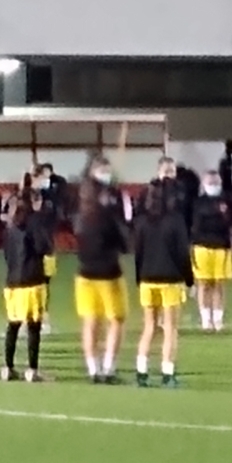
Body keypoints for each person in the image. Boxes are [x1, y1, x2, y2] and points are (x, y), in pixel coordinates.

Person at [73, 162, 130, 383]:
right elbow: (124, 241)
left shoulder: (80, 213)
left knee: (90, 321)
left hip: (84, 273)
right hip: (108, 273)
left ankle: (92, 368)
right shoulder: (107, 215)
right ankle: (108, 367)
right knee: (116, 320)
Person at [132, 182, 192, 388]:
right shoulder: (175, 221)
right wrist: (189, 278)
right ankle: (168, 372)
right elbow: (182, 253)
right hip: (170, 280)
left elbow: (137, 253)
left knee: (149, 326)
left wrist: (139, 278)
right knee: (170, 328)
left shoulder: (141, 221)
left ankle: (141, 371)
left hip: (148, 279)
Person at [0, 184, 51, 382]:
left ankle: (8, 367)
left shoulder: (10, 226)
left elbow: (6, 253)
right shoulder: (34, 223)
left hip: (12, 282)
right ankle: (32, 369)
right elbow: (43, 247)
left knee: (13, 325)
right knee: (33, 326)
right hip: (32, 279)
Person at [189, 167, 232, 331]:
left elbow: (230, 223)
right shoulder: (198, 202)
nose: (213, 185)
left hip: (222, 248)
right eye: (210, 182)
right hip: (201, 247)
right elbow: (197, 225)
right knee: (203, 284)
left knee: (219, 284)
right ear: (204, 183)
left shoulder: (227, 201)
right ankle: (205, 319)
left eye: (216, 182)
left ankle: (218, 319)